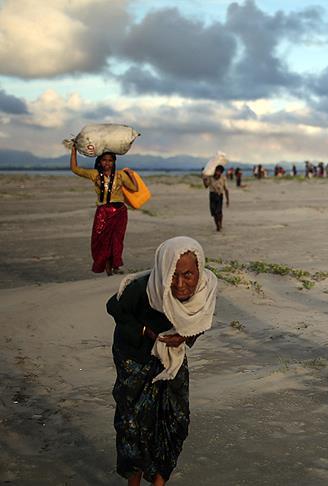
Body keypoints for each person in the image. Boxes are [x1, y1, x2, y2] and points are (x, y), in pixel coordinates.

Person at [107, 236, 217, 485]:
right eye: (173, 275)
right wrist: (146, 332)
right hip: (133, 357)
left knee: (175, 418)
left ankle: (159, 482)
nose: (180, 284)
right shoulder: (144, 288)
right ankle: (133, 482)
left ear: (199, 270)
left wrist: (184, 337)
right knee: (133, 423)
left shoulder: (205, 289)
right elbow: (114, 308)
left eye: (188, 275)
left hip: (171, 358)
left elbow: (200, 321)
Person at [69, 144, 138, 276]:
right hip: (103, 212)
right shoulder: (94, 174)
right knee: (100, 240)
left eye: (110, 160)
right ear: (100, 161)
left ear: (114, 162)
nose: (107, 163)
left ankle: (115, 266)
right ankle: (107, 267)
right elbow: (75, 169)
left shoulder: (120, 176)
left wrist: (131, 174)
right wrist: (73, 151)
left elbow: (135, 188)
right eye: (104, 160)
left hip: (119, 212)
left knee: (117, 240)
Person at [202, 165, 229, 231]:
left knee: (219, 211)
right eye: (217, 170)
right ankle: (218, 225)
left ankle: (219, 225)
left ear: (221, 172)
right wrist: (204, 180)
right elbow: (206, 186)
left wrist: (228, 200)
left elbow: (226, 189)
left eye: (219, 171)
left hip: (220, 195)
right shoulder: (210, 177)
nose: (218, 172)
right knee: (214, 212)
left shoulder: (223, 178)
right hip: (212, 195)